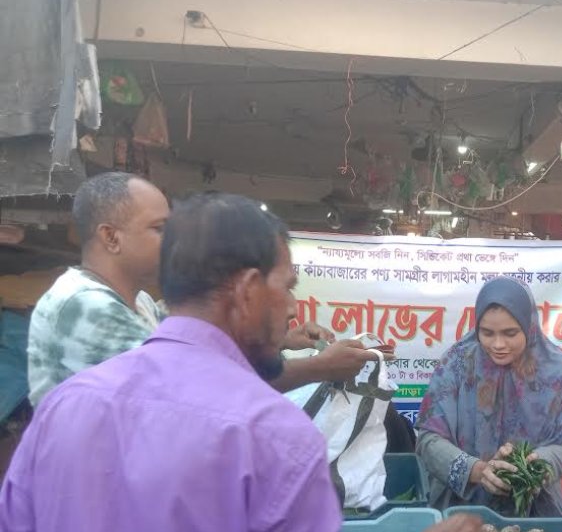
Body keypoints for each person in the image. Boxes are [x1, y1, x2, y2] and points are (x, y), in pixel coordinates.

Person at [0, 193, 487, 532]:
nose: (293, 307)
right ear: (249, 290)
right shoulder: (274, 435)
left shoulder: (66, 407)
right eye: (288, 286)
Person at [27, 172, 372, 407]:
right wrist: (321, 368)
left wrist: (280, 338)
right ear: (110, 237)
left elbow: (200, 340)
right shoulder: (84, 305)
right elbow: (200, 386)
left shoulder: (140, 302)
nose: (173, 241)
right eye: (160, 229)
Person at [416, 276, 562, 517]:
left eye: (510, 333)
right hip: (460, 508)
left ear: (528, 326)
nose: (498, 344)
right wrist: (477, 471)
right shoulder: (457, 364)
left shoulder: (557, 372)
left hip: (535, 510)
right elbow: (428, 440)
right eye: (487, 333)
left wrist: (532, 467)